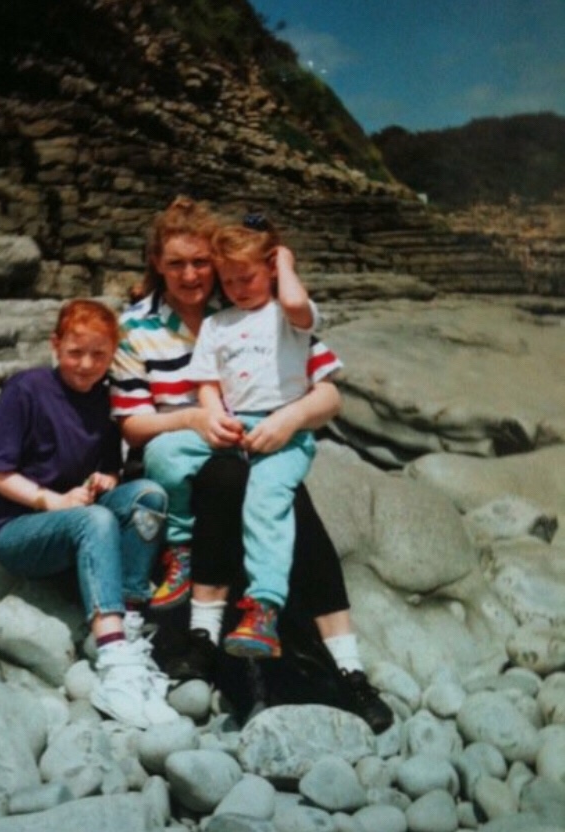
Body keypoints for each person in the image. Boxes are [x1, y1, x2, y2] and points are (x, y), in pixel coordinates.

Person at [111, 196, 393, 733]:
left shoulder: (249, 302)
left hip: (252, 441)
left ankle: (347, 668)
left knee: (291, 504)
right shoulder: (137, 328)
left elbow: (327, 394)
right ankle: (213, 639)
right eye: (176, 263)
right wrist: (195, 418)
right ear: (157, 265)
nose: (192, 274)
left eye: (201, 262)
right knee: (231, 479)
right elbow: (132, 426)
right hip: (177, 459)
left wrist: (289, 418)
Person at [138, 217, 338, 659]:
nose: (237, 288)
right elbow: (207, 381)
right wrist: (211, 415)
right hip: (232, 424)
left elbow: (297, 303)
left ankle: (264, 606)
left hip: (281, 428)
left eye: (246, 278)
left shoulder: (289, 318)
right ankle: (181, 544)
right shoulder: (217, 324)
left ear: (269, 268)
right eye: (227, 281)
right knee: (164, 453)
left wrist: (284, 261)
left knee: (268, 501)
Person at [0, 298, 179, 730]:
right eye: (75, 352)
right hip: (18, 529)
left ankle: (127, 620)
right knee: (96, 520)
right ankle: (112, 659)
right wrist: (50, 501)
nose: (86, 364)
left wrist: (106, 478)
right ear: (56, 345)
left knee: (149, 496)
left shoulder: (106, 401)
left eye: (98, 355)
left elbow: (109, 465)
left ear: (112, 354)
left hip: (77, 513)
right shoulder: (26, 389)